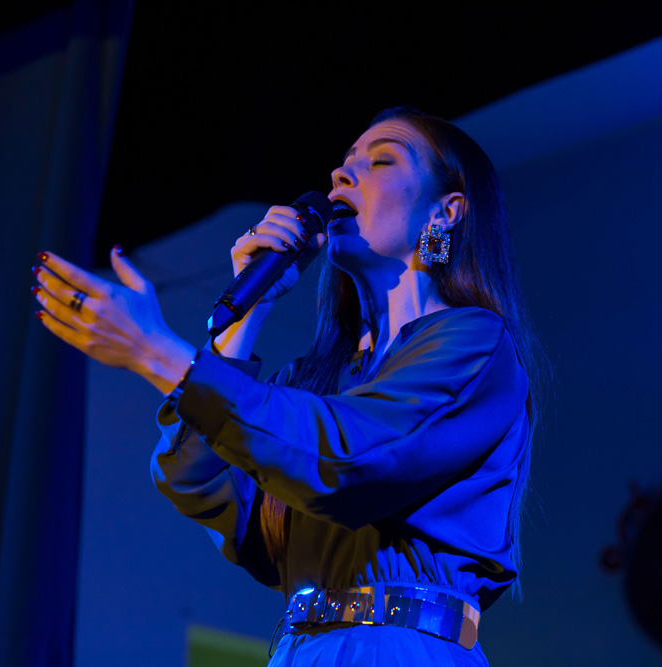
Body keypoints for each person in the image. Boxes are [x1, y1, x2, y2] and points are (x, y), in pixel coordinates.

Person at [33, 107, 545, 665]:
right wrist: (247, 312)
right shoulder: (314, 382)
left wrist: (156, 351)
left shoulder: (475, 344)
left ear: (445, 211)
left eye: (381, 161)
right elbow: (195, 480)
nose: (340, 176)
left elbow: (350, 457)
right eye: (344, 162)